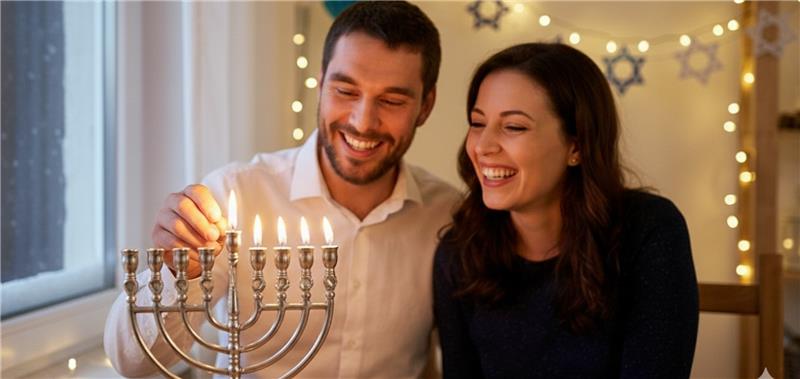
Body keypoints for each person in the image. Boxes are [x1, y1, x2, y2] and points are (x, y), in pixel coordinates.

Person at [105, 2, 460, 378]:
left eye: (391, 101)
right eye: (345, 90)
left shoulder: (448, 217)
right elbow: (132, 362)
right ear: (320, 85)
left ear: (426, 106)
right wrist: (180, 272)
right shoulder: (234, 197)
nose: (363, 121)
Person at [433, 43, 699, 378]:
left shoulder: (650, 231)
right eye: (477, 122)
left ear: (577, 145)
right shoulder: (459, 252)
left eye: (513, 127)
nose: (483, 146)